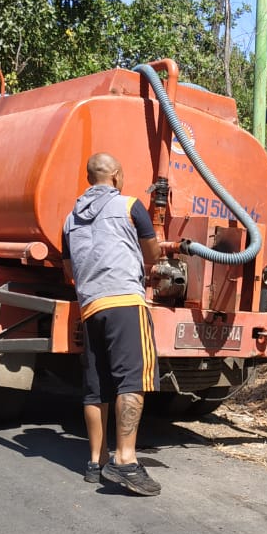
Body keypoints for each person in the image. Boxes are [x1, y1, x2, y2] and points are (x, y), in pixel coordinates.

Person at [62, 152, 163, 496]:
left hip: (90, 305)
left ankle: (95, 461)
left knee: (97, 387)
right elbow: (152, 255)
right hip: (124, 301)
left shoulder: (69, 219)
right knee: (131, 380)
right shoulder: (130, 205)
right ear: (117, 176)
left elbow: (68, 270)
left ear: (90, 178)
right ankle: (126, 459)